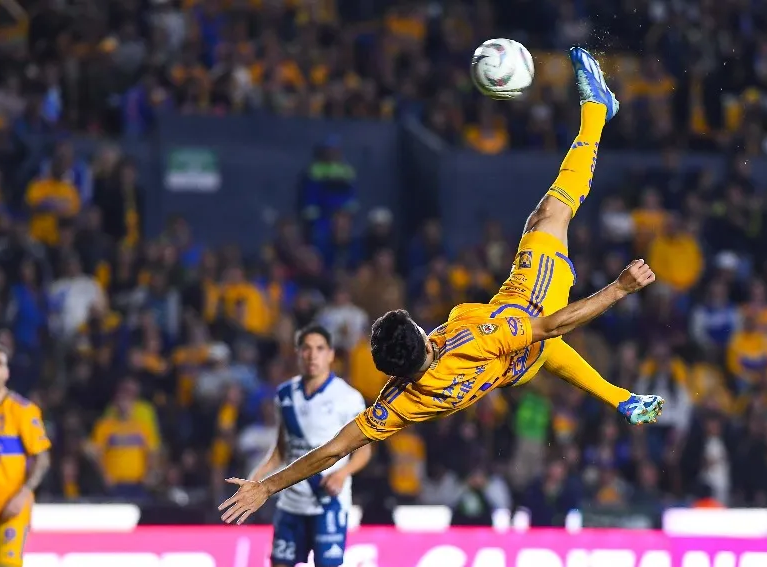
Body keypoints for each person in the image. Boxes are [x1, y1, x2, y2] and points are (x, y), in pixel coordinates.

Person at [219, 47, 663, 525]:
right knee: (551, 212)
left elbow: (330, 451)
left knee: (536, 353)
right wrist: (618, 289)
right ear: (422, 339)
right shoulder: (475, 336)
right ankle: (597, 110)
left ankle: (622, 398)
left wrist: (266, 486)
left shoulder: (397, 405)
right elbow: (550, 325)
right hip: (532, 299)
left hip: (512, 369)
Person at [247, 324, 372, 567]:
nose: (312, 355)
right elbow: (282, 450)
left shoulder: (348, 398)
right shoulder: (285, 394)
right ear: (298, 354)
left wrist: (343, 473)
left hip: (327, 501)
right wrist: (256, 480)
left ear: (331, 354)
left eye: (320, 348)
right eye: (306, 349)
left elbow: (364, 451)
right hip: (291, 502)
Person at [0, 343, 51, 567]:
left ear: (7, 372)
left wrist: (23, 494)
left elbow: (42, 458)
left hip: (10, 510)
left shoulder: (22, 410)